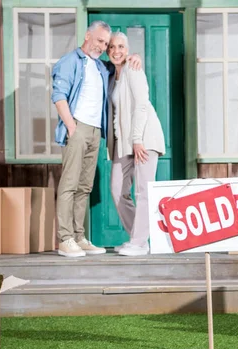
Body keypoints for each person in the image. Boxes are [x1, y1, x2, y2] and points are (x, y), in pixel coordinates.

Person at [51, 21, 140, 258]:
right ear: (88, 35)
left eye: (106, 43)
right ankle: (65, 238)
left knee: (84, 187)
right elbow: (59, 96)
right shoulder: (70, 61)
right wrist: (71, 126)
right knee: (69, 184)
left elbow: (119, 64)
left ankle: (79, 237)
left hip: (94, 132)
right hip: (77, 127)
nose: (102, 46)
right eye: (100, 41)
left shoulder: (101, 66)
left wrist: (135, 56)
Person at [107, 32, 166, 256]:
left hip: (144, 139)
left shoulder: (133, 69)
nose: (116, 51)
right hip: (125, 144)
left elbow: (142, 105)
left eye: (121, 46)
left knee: (143, 191)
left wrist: (137, 140)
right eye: (112, 47)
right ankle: (138, 237)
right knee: (117, 190)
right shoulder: (113, 75)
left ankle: (140, 242)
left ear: (128, 49)